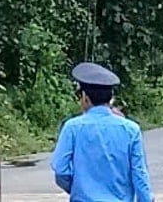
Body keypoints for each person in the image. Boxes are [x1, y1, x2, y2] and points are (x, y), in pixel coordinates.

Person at [50, 62, 154, 202]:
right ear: (110, 99)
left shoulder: (72, 127)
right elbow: (139, 175)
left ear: (85, 97)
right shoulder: (131, 130)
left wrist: (78, 189)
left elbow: (61, 170)